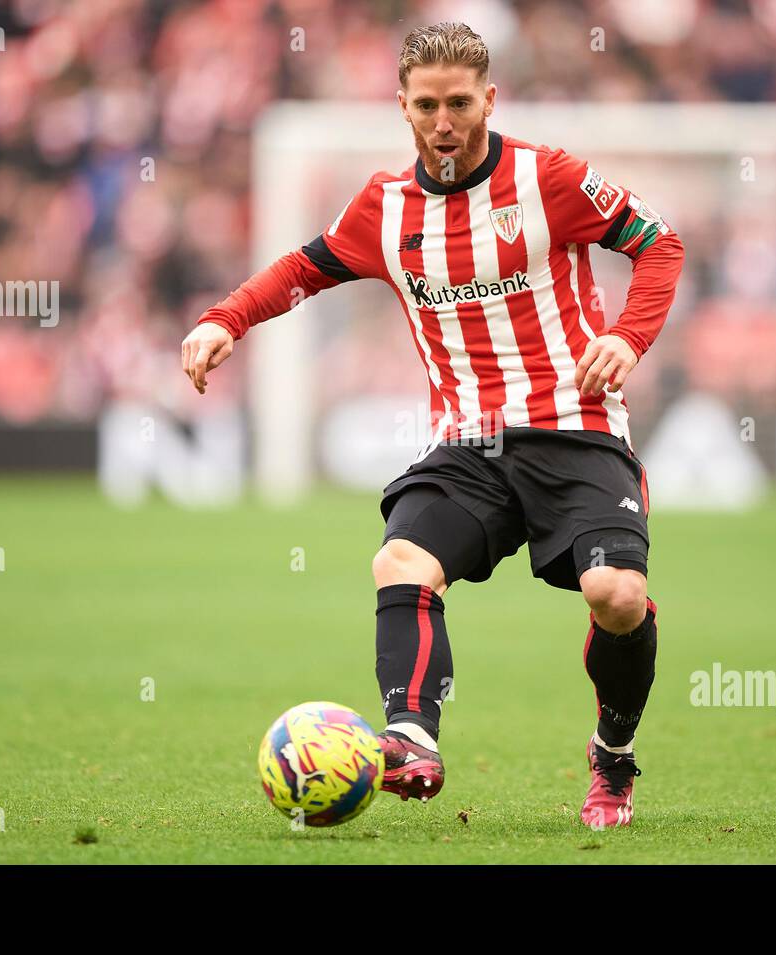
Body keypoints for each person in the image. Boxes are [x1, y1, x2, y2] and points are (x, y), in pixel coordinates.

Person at [182, 21, 684, 828]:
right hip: (471, 441)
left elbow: (660, 245)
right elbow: (302, 269)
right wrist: (224, 321)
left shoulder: (545, 178)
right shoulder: (386, 208)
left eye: (459, 102)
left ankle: (613, 755)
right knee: (402, 559)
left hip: (577, 427)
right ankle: (411, 734)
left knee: (616, 595)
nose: (444, 120)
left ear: (489, 98)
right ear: (402, 107)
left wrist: (626, 337)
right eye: (426, 105)